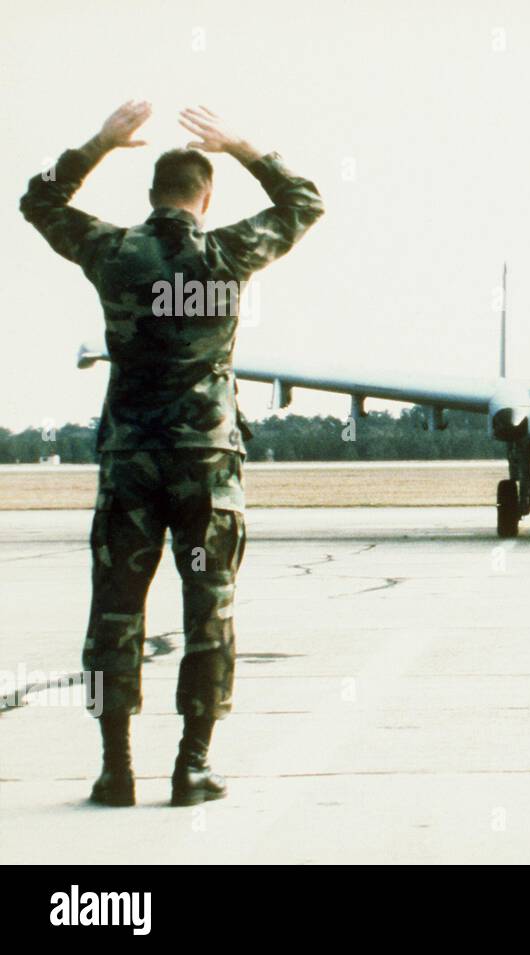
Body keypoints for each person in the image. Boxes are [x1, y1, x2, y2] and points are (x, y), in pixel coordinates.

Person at [20, 101, 324, 807]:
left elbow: (38, 200)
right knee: (208, 609)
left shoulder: (114, 251)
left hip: (132, 464)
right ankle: (192, 766)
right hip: (206, 467)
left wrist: (100, 141)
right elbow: (304, 201)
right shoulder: (227, 253)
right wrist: (244, 144)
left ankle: (115, 766)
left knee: (115, 611)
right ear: (205, 197)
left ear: (152, 195)